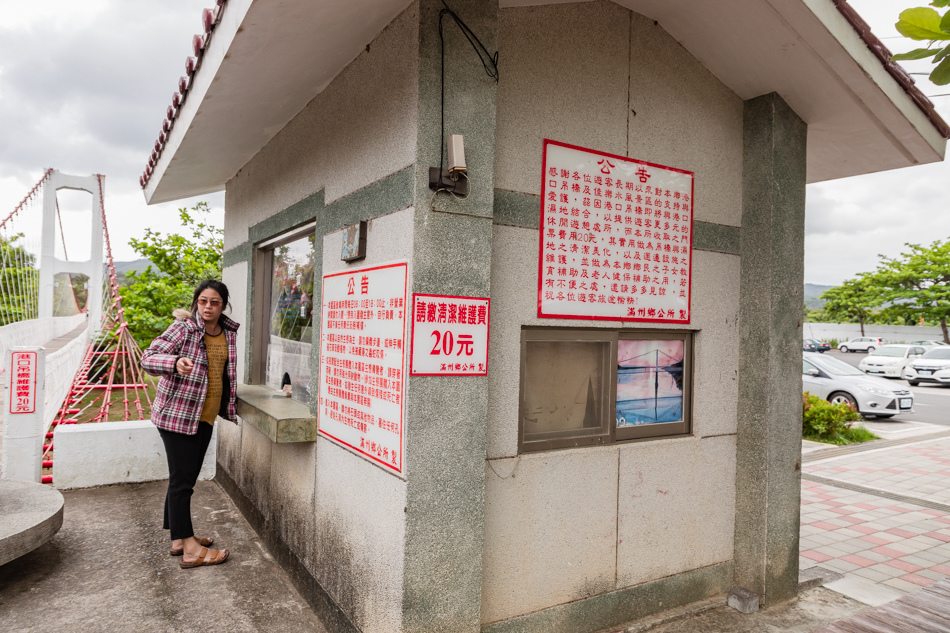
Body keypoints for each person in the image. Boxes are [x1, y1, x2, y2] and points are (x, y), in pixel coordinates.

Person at [141, 279, 239, 569]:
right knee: (183, 483)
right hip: (177, 416)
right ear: (197, 302)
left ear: (223, 305)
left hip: (205, 416)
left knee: (183, 479)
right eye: (203, 301)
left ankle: (178, 538)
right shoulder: (184, 328)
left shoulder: (227, 332)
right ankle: (190, 550)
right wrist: (174, 363)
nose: (208, 307)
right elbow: (149, 357)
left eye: (215, 302)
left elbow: (225, 373)